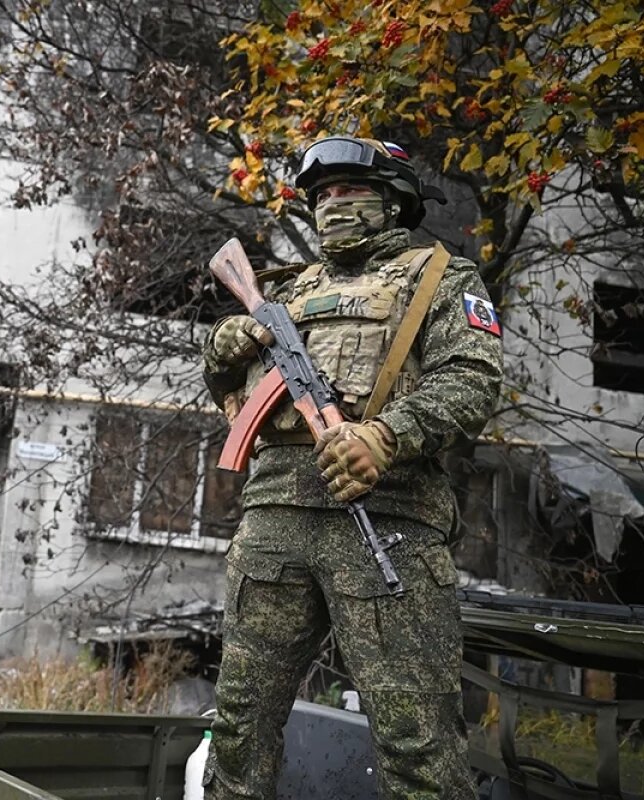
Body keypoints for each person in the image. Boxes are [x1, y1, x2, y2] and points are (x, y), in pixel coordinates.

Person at [201, 136, 503, 799]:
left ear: (394, 202)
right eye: (323, 195)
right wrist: (221, 349)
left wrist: (386, 436)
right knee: (238, 729)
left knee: (415, 742)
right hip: (273, 523)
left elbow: (473, 382)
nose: (333, 204)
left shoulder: (439, 279)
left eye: (350, 191)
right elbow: (231, 388)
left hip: (386, 522)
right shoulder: (288, 288)